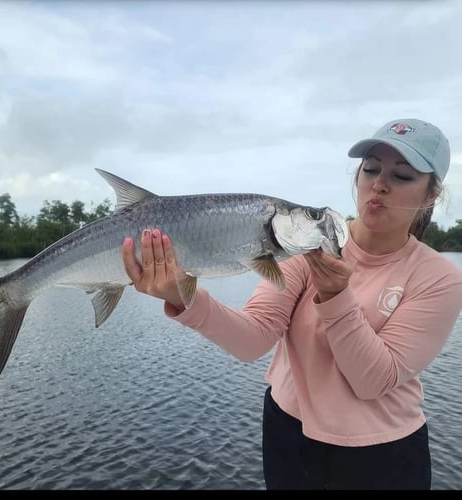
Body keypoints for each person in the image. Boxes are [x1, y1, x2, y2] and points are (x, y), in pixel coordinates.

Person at [121, 118, 462, 490]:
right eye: (371, 169)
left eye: (403, 176)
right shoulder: (307, 244)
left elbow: (372, 381)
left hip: (383, 455)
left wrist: (335, 297)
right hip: (287, 434)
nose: (379, 184)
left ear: (431, 196)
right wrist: (181, 296)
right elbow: (253, 339)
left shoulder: (440, 278)